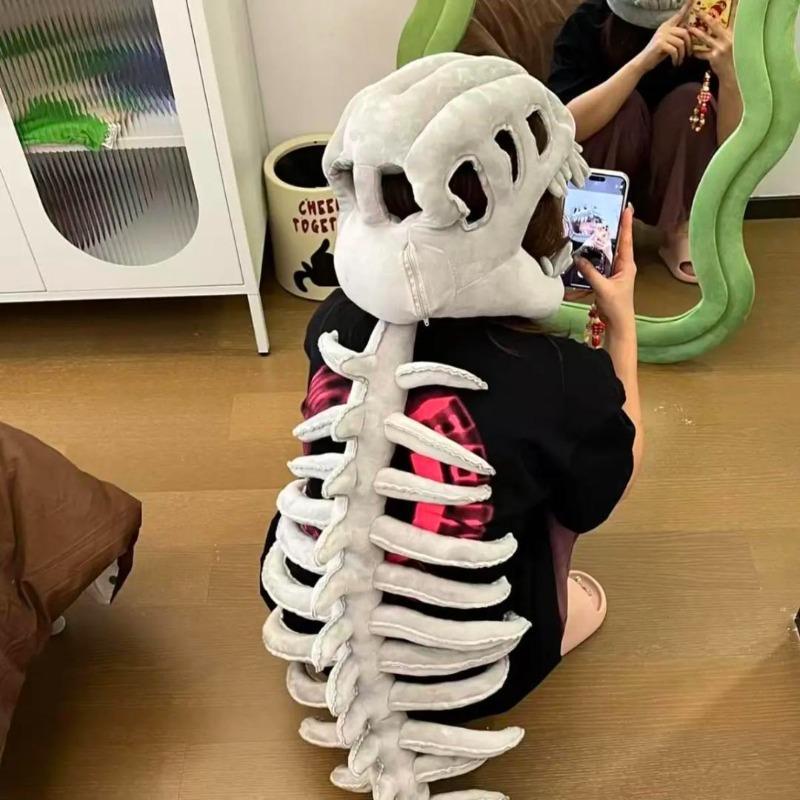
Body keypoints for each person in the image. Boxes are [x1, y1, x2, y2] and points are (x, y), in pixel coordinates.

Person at [260, 90, 644, 723]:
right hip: (476, 676)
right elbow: (611, 476)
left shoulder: (331, 318)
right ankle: (551, 612)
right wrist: (620, 327)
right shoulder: (560, 378)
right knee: (573, 472)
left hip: (307, 617)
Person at [549, 0, 742, 282]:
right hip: (605, 178)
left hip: (673, 177)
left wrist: (729, 74)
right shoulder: (590, 22)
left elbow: (734, 148)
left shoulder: (708, 32)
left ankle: (681, 228)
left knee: (691, 100)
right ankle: (593, 228)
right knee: (622, 107)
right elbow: (565, 128)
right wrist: (641, 62)